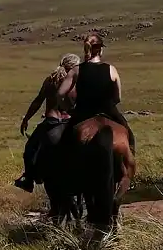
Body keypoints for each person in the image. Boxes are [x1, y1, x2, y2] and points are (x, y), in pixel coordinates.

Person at [14, 52, 79, 192]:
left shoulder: (50, 80)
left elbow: (38, 101)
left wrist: (26, 119)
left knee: (30, 149)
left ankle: (28, 180)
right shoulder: (76, 83)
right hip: (69, 121)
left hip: (52, 121)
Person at [68, 33, 135, 151]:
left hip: (83, 113)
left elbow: (60, 94)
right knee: (129, 136)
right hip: (108, 111)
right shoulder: (111, 69)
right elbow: (118, 97)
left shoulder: (76, 70)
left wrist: (68, 107)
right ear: (101, 50)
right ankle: (130, 161)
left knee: (64, 140)